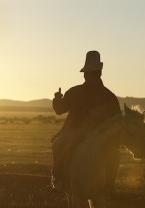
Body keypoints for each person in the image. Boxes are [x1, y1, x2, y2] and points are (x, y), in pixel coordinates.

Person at [51, 50, 121, 193]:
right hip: (76, 132)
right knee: (59, 144)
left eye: (89, 72)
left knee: (114, 153)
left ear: (98, 73)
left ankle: (109, 186)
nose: (86, 75)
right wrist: (57, 100)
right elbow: (60, 110)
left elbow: (116, 121)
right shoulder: (80, 92)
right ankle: (59, 178)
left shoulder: (108, 97)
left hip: (96, 136)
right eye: (86, 72)